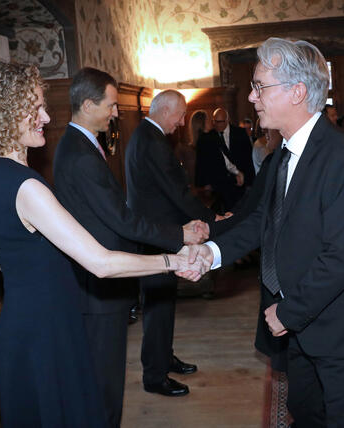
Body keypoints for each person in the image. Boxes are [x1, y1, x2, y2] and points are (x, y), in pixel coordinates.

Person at [0, 59, 202, 427]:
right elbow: (100, 263)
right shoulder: (27, 186)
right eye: (33, 107)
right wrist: (173, 262)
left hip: (28, 323)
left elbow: (6, 261)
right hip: (47, 330)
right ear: (4, 114)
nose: (46, 117)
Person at [187, 37, 344, 427]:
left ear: (297, 92)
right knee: (306, 416)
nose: (250, 96)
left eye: (260, 86)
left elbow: (342, 256)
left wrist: (290, 312)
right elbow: (262, 222)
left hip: (341, 331)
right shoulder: (284, 153)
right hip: (298, 327)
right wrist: (210, 254)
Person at [52, 67, 209, 426]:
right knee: (105, 385)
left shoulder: (82, 145)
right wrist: (180, 236)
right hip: (96, 285)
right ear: (88, 105)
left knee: (104, 379)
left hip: (101, 280)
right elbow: (121, 219)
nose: (115, 112)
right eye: (110, 105)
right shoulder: (78, 154)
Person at [125, 90, 222, 397]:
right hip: (155, 236)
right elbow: (175, 193)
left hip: (161, 233)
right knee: (156, 308)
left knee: (164, 304)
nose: (182, 122)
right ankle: (154, 376)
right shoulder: (150, 141)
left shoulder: (148, 137)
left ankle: (164, 358)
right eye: (180, 115)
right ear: (165, 111)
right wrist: (211, 219)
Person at [195, 107, 255, 211]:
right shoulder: (207, 138)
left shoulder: (240, 134)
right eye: (215, 122)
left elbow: (248, 159)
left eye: (221, 122)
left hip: (240, 185)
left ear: (227, 120)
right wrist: (205, 184)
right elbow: (203, 163)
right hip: (219, 185)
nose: (218, 124)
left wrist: (248, 180)